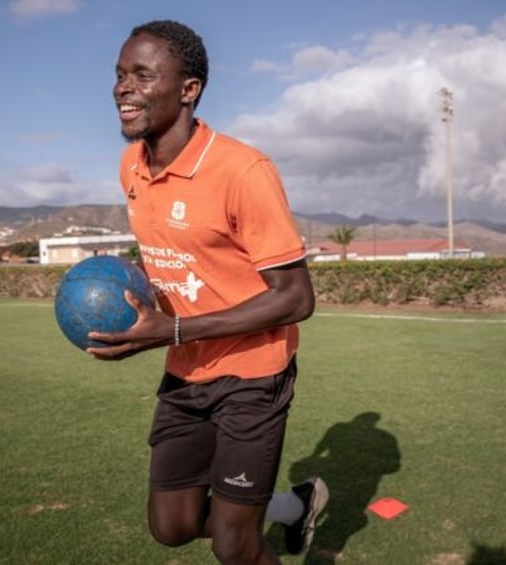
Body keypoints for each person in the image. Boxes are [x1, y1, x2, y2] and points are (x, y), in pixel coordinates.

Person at [87, 19, 328, 565]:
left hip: (252, 377)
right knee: (170, 527)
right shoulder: (132, 165)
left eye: (143, 75)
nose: (123, 87)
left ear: (188, 89)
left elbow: (296, 298)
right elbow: (179, 258)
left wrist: (169, 329)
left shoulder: (243, 170)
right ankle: (297, 504)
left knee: (233, 545)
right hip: (185, 371)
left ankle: (264, 519)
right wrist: (128, 298)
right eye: (120, 74)